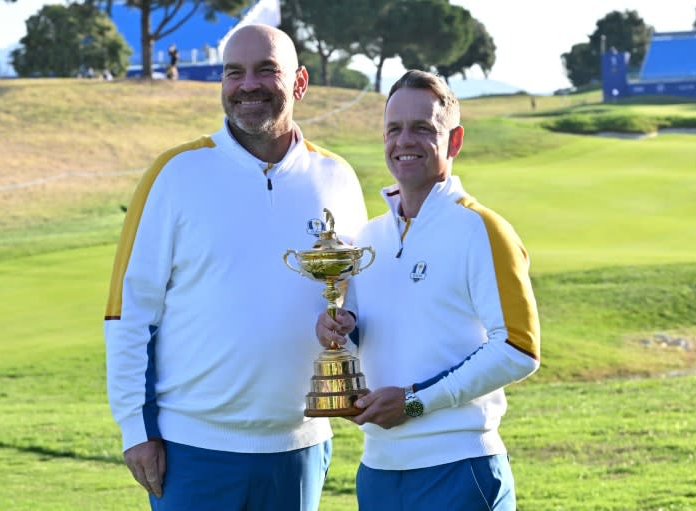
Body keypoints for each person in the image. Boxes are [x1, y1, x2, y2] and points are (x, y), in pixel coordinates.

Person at [104, 24, 367, 511]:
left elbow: (361, 301)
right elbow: (129, 312)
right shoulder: (175, 173)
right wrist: (135, 429)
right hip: (191, 452)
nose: (248, 85)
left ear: (300, 83)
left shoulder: (337, 177)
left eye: (266, 70)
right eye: (234, 73)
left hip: (300, 447)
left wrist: (350, 328)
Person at [316, 69, 541, 511]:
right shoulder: (368, 237)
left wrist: (415, 403)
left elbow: (519, 349)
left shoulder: (482, 229)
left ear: (454, 141)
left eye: (423, 129)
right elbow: (372, 334)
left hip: (458, 470)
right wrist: (339, 326)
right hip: (378, 471)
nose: (405, 141)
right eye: (394, 129)